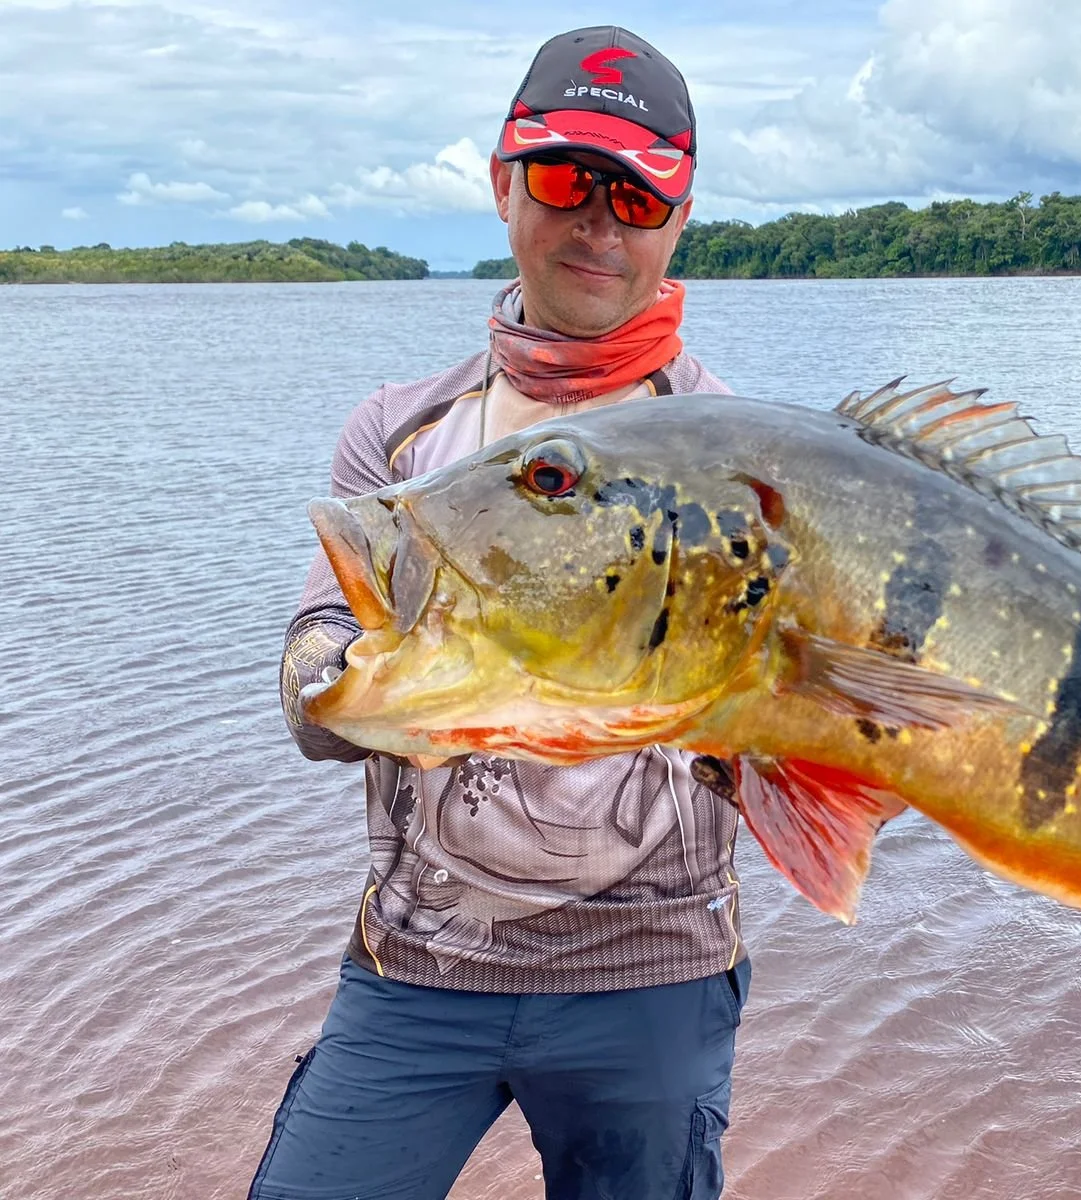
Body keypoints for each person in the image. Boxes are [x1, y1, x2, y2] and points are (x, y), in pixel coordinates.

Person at [254, 26, 747, 1200]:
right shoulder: (403, 439)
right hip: (421, 967)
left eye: (638, 195)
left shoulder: (740, 457)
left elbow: (806, 753)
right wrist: (339, 682)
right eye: (571, 180)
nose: (601, 222)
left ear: (678, 220)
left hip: (654, 974)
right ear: (503, 184)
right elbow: (313, 674)